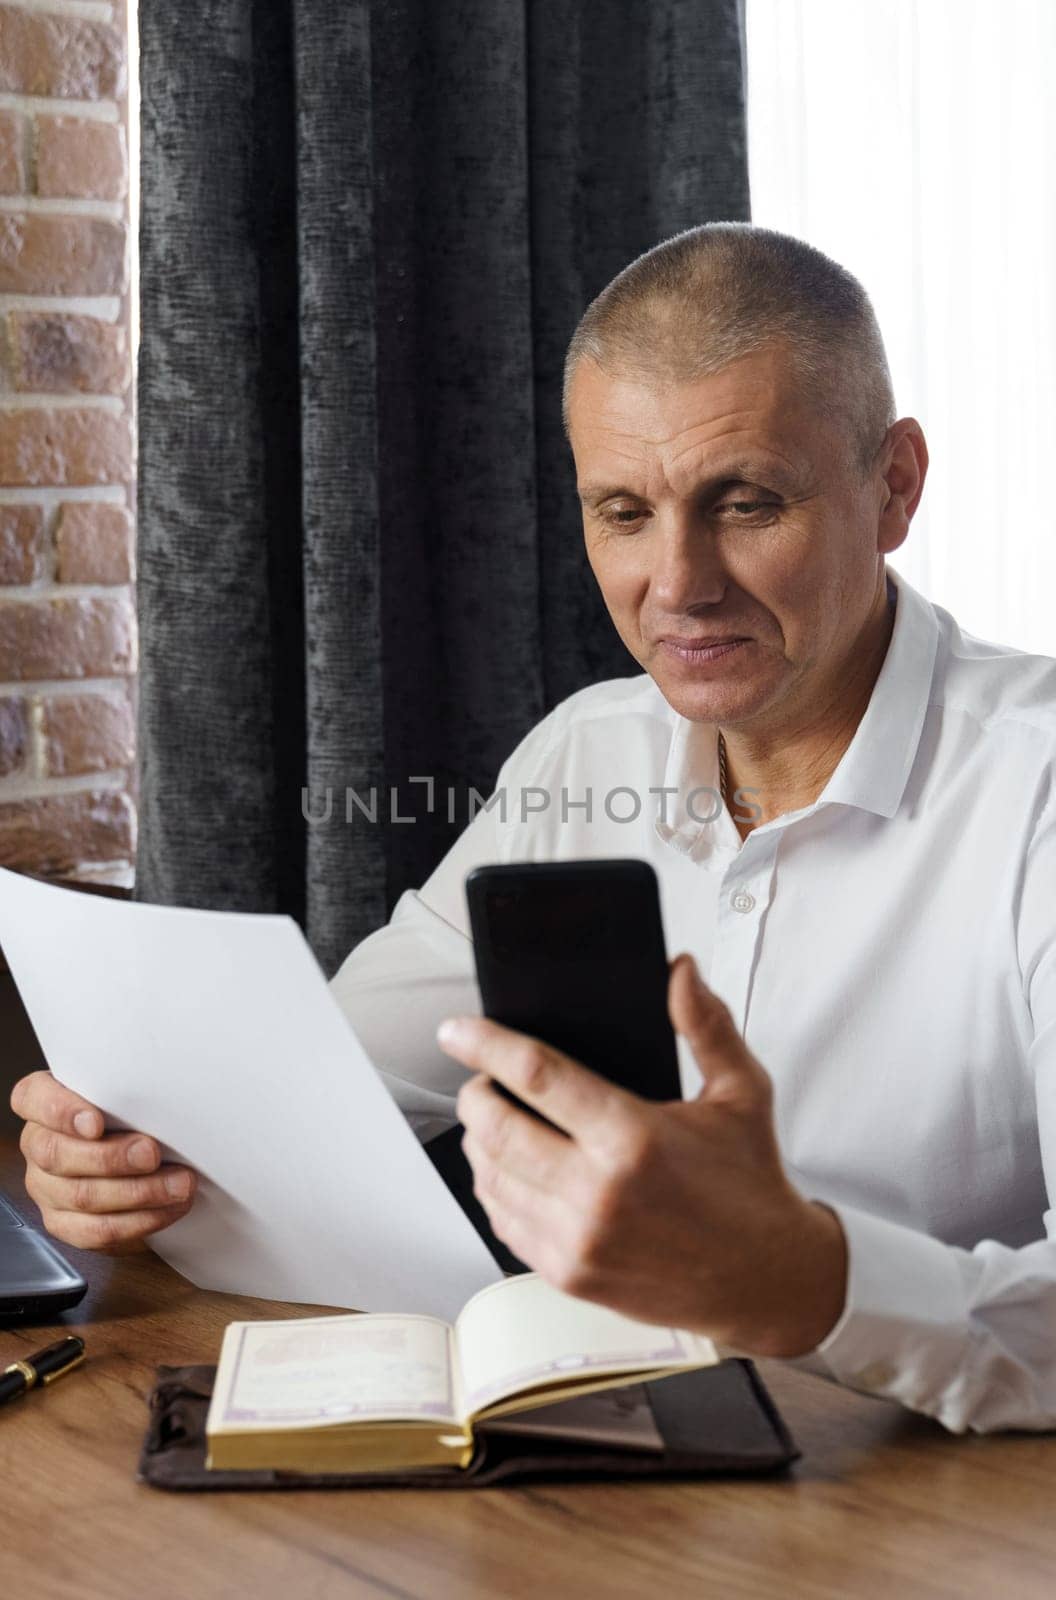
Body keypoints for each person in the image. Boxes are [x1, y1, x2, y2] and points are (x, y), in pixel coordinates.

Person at [10, 223, 1056, 1434]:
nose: (678, 582)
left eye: (746, 501)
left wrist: (814, 1285)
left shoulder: (1033, 786)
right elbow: (326, 1091)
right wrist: (130, 1150)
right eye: (623, 511)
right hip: (592, 1485)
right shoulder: (584, 752)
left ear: (897, 486)